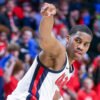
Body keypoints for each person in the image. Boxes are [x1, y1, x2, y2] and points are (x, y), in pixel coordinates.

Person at [7, 3, 93, 100]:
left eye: (86, 44)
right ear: (68, 39)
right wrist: (48, 16)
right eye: (78, 41)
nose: (81, 47)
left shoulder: (70, 68)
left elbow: (54, 93)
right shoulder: (59, 53)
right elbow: (46, 39)